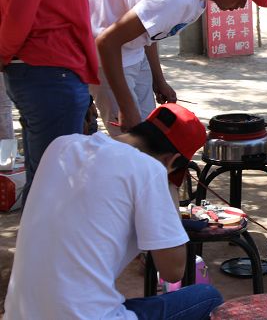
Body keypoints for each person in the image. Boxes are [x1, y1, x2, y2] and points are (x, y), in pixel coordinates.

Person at [4, 103, 223, 319]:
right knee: (208, 297)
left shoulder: (60, 146)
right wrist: (168, 190)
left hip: (20, 314)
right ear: (171, 160)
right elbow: (173, 271)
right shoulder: (149, 170)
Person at [89, 0, 267, 136]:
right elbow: (106, 42)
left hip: (132, 49)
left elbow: (149, 28)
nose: (242, 5)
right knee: (131, 140)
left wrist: (159, 80)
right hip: (105, 54)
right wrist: (126, 108)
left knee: (147, 135)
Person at [0, 0, 100, 204]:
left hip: (43, 70)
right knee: (55, 193)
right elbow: (20, 10)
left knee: (44, 184)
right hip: (49, 71)